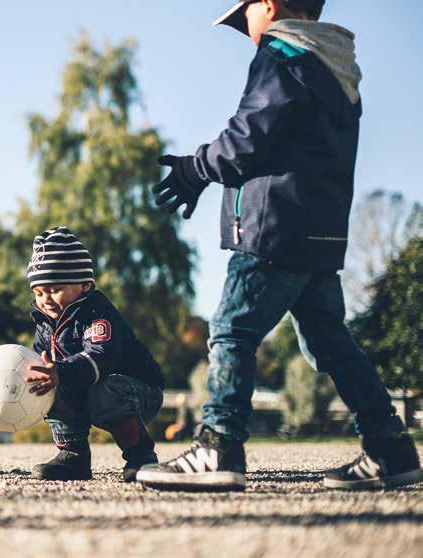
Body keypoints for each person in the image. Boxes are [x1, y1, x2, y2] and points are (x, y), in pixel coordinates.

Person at [137, 0, 422, 491]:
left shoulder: (281, 55)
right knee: (331, 342)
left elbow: (249, 136)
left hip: (273, 228)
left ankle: (219, 445)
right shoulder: (336, 68)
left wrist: (195, 167)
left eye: (243, 15)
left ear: (268, 5)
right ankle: (391, 448)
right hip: (320, 233)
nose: (244, 28)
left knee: (232, 329)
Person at [24, 227, 165, 482]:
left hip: (136, 390)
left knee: (102, 389)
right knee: (51, 383)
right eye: (38, 293)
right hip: (87, 386)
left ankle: (140, 456)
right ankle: (73, 455)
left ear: (85, 285)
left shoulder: (96, 313)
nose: (45, 300)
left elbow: (101, 355)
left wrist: (61, 372)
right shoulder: (45, 322)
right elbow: (41, 360)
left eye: (54, 290)